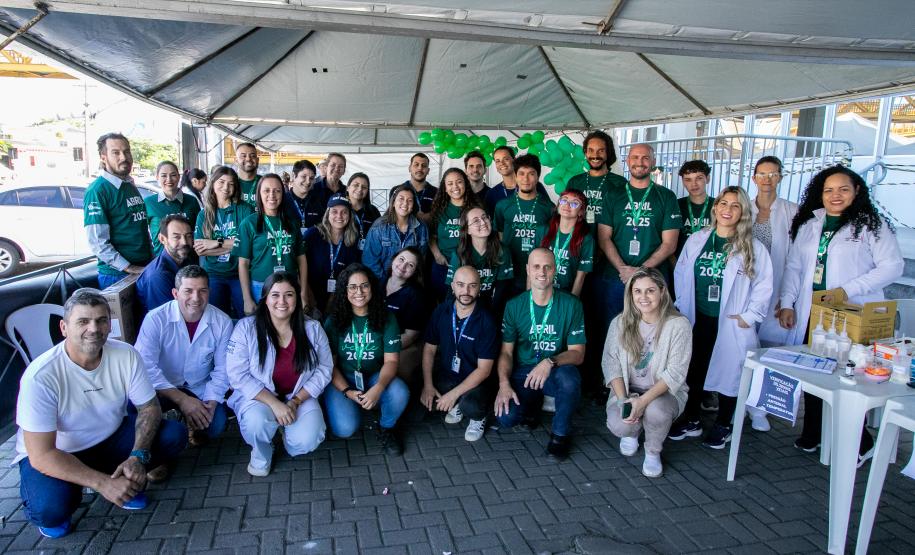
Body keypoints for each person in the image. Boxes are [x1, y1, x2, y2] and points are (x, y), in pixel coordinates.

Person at [14, 288, 186, 538]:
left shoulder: (125, 354)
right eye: (83, 321)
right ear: (63, 327)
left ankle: (119, 477)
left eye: (101, 320)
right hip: (60, 451)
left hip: (109, 439)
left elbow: (149, 407)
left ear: (109, 324)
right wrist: (102, 484)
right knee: (51, 509)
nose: (94, 328)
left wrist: (137, 456)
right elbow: (41, 455)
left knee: (173, 434)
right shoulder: (41, 376)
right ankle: (95, 484)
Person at [778, 166, 903, 458]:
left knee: (850, 376)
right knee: (814, 372)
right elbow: (795, 267)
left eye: (843, 189)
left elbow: (893, 266)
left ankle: (862, 442)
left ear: (856, 191)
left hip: (853, 314)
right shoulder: (811, 225)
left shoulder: (871, 225)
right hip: (816, 313)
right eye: (829, 190)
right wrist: (787, 302)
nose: (836, 196)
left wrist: (849, 289)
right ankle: (813, 432)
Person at [670, 186, 773, 449]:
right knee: (694, 369)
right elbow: (681, 272)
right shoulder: (698, 238)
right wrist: (681, 307)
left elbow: (764, 285)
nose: (727, 209)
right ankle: (691, 419)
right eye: (723, 203)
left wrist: (749, 317)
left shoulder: (753, 247)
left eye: (735, 205)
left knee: (731, 372)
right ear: (715, 208)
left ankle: (724, 424)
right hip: (698, 316)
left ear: (743, 212)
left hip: (731, 321)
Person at [226, 273, 333, 476]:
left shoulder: (313, 329)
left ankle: (285, 435)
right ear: (265, 298)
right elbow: (236, 374)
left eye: (289, 295)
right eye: (275, 295)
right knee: (256, 424)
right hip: (260, 398)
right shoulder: (245, 328)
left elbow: (324, 369)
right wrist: (275, 404)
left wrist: (295, 402)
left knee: (309, 438)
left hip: (297, 397)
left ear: (297, 298)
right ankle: (262, 453)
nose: (282, 302)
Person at [595, 143, 681, 371]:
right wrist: (624, 268)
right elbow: (604, 238)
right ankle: (612, 381)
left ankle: (644, 378)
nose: (640, 162)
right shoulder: (613, 195)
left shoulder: (666, 196)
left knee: (652, 331)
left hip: (653, 279)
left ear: (653, 163)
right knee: (613, 330)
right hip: (616, 277)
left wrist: (639, 272)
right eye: (635, 157)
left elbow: (670, 244)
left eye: (645, 158)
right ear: (627, 161)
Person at [494, 248, 586, 459]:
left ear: (555, 270)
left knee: (570, 378)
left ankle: (560, 435)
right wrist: (503, 384)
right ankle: (532, 405)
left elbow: (578, 353)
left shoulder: (572, 304)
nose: (542, 272)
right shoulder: (514, 306)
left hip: (553, 370)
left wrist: (550, 361)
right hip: (524, 372)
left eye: (547, 267)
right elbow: (506, 353)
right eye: (536, 266)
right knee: (506, 418)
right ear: (527, 270)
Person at [602, 267, 692, 478]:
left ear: (662, 292)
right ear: (630, 294)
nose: (643, 297)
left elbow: (675, 372)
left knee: (656, 411)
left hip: (662, 392)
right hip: (628, 389)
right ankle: (633, 433)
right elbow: (610, 363)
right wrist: (624, 399)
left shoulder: (679, 325)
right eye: (637, 291)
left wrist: (642, 403)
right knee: (618, 424)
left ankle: (652, 450)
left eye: (650, 291)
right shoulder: (620, 322)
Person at [135, 265, 233, 456]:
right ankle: (164, 442)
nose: (196, 298)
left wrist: (212, 402)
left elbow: (223, 369)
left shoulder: (222, 321)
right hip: (162, 387)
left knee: (215, 424)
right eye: (188, 291)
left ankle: (191, 423)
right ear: (175, 293)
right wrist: (182, 400)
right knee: (146, 418)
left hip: (198, 386)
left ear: (209, 292)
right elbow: (145, 366)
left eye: (202, 290)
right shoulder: (155, 319)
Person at [322, 264, 409, 455]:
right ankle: (349, 404)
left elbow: (392, 362)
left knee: (400, 391)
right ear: (344, 291)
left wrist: (378, 388)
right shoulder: (334, 321)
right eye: (352, 287)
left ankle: (387, 427)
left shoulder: (387, 318)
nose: (359, 292)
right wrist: (347, 392)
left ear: (372, 288)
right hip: (343, 378)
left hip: (374, 376)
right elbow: (330, 366)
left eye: (364, 286)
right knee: (344, 429)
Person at [421, 266, 498, 442]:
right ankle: (458, 402)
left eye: (472, 286)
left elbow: (484, 370)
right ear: (453, 286)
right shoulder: (442, 311)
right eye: (461, 285)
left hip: (478, 382)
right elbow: (429, 349)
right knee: (428, 403)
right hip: (449, 376)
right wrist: (427, 385)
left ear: (479, 288)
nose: (466, 291)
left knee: (471, 405)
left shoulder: (487, 320)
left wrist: (453, 395)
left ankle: (477, 416)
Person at [83, 133, 152, 289]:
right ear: (103, 157)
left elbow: (139, 227)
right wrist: (128, 267)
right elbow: (97, 242)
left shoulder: (129, 185)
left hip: (142, 268)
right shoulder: (97, 190)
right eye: (116, 152)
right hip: (117, 274)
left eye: (127, 151)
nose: (124, 157)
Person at [236, 174, 310, 315]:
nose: (272, 195)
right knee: (263, 331)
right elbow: (243, 264)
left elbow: (302, 260)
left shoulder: (292, 223)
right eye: (267, 190)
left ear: (283, 193)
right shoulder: (249, 223)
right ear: (259, 194)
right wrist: (247, 298)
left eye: (277, 190)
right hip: (260, 287)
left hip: (290, 287)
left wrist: (304, 292)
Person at [751, 156, 799, 348]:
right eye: (762, 174)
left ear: (780, 177)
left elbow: (796, 259)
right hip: (747, 283)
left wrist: (788, 299)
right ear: (754, 178)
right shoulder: (744, 208)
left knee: (771, 344)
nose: (767, 179)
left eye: (772, 174)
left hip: (777, 285)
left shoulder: (793, 211)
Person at [193, 166, 254, 318]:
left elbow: (249, 243)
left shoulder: (245, 210)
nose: (226, 187)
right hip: (214, 274)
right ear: (213, 183)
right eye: (221, 182)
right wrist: (234, 245)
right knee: (217, 318)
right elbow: (200, 250)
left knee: (246, 316)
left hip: (239, 273)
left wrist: (215, 242)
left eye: (231, 183)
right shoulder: (204, 214)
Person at [493, 154, 555, 292]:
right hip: (509, 271)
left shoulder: (549, 207)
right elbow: (499, 235)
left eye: (531, 174)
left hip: (537, 273)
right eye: (521, 173)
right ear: (515, 176)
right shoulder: (502, 205)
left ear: (538, 177)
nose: (526, 179)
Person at [428, 168, 482, 299]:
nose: (455, 187)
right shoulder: (439, 209)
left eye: (459, 182)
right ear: (445, 188)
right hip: (443, 265)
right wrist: (437, 255)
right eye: (450, 183)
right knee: (442, 302)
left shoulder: (476, 208)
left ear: (465, 184)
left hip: (469, 264)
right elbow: (431, 236)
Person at [446, 207, 513, 313]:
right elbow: (452, 290)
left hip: (491, 304)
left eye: (484, 217)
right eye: (476, 220)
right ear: (467, 229)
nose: (483, 222)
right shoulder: (459, 254)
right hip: (465, 304)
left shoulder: (502, 251)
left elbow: (502, 290)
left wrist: (491, 315)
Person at [302, 197, 362, 315]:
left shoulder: (352, 240)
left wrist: (335, 298)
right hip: (311, 297)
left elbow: (352, 273)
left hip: (339, 299)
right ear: (327, 214)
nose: (339, 216)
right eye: (334, 211)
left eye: (344, 212)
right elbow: (300, 267)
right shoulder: (312, 235)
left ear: (349, 216)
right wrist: (308, 296)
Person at [363, 184, 429, 280]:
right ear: (393, 203)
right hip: (382, 283)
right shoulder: (379, 226)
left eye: (410, 200)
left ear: (413, 205)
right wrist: (386, 283)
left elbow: (420, 261)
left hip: (409, 284)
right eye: (401, 199)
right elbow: (370, 261)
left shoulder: (421, 228)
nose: (405, 203)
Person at [136, 214, 198, 314]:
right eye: (176, 237)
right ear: (162, 239)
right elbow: (166, 318)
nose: (184, 242)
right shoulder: (158, 276)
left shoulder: (186, 260)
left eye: (188, 236)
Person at [566, 130, 626, 230]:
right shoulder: (574, 182)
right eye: (591, 150)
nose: (595, 155)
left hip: (609, 241)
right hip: (580, 241)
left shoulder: (620, 183)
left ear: (608, 153)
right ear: (585, 153)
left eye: (601, 151)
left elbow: (623, 217)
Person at [384, 247, 428, 382]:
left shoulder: (415, 295)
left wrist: (384, 348)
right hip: (374, 337)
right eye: (401, 259)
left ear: (415, 272)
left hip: (399, 343)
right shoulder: (377, 283)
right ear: (394, 259)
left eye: (410, 265)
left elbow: (411, 335)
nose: (403, 266)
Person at [539, 189, 593, 297]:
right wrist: (530, 297)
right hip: (541, 292)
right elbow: (531, 267)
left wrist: (572, 304)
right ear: (558, 205)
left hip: (566, 295)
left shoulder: (586, 239)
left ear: (581, 212)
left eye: (574, 203)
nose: (567, 205)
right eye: (564, 200)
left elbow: (580, 276)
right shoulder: (542, 231)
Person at [145, 161, 201, 256]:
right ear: (157, 178)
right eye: (164, 176)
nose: (169, 179)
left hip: (189, 258)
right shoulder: (149, 203)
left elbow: (199, 231)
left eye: (173, 175)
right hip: (161, 258)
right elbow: (143, 234)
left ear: (179, 177)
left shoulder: (192, 201)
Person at [484, 145, 549, 217]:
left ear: (514, 160)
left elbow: (548, 212)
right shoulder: (492, 193)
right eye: (497, 161)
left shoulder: (533, 185)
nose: (502, 163)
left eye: (506, 159)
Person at [675, 160, 714, 258]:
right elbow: (667, 242)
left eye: (699, 178)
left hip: (708, 266)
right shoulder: (675, 206)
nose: (694, 184)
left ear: (708, 178)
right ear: (683, 182)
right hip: (679, 265)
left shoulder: (719, 206)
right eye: (688, 180)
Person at [285, 159, 328, 236]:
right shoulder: (283, 201)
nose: (308, 181)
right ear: (294, 176)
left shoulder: (320, 201)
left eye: (311, 178)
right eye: (304, 176)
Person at [390, 153, 437, 221]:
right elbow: (391, 215)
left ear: (428, 171)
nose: (420, 168)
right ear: (409, 168)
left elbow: (440, 215)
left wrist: (429, 216)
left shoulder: (437, 192)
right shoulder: (396, 190)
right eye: (416, 165)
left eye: (424, 166)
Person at [346, 172, 381, 252]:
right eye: (356, 185)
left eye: (364, 187)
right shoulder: (342, 209)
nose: (360, 189)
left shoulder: (373, 211)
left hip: (367, 256)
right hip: (345, 256)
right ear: (348, 188)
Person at [235, 142, 260, 209]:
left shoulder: (265, 183)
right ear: (236, 161)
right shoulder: (230, 183)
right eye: (243, 156)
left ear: (257, 160)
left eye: (253, 156)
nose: (248, 159)